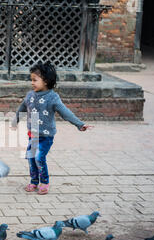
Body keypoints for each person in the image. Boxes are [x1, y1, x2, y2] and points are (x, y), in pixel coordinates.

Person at [12, 61, 93, 194]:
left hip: (46, 136)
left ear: (46, 81)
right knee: (31, 158)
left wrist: (79, 124)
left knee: (39, 158)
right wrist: (15, 121)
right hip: (33, 135)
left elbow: (65, 112)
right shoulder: (30, 95)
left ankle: (44, 182)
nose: (32, 83)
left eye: (35, 80)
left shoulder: (53, 98)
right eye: (31, 80)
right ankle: (34, 182)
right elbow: (22, 107)